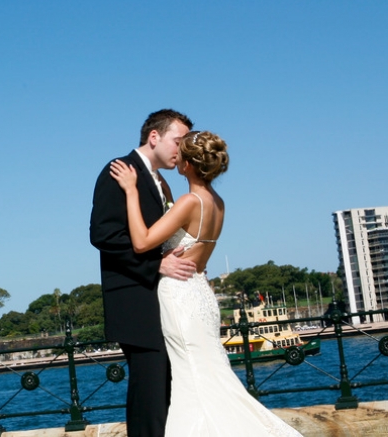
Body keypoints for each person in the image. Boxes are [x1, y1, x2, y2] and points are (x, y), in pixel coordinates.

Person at [108, 131, 302, 436]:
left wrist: (131, 191)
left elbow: (143, 241)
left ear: (186, 164)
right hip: (201, 293)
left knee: (193, 379)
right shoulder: (218, 202)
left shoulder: (190, 201)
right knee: (210, 376)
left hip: (180, 295)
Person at [89, 109, 200, 437]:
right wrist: (157, 264)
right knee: (149, 393)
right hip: (134, 300)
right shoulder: (119, 171)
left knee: (164, 387)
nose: (181, 150)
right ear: (155, 137)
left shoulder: (161, 181)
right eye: (178, 141)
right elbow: (104, 235)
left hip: (161, 299)